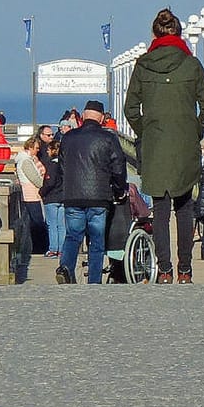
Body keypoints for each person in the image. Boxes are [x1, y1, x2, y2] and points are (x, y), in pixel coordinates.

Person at [124, 8, 204, 284]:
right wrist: (193, 131)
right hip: (185, 147)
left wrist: (147, 132)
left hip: (154, 146)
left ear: (154, 34)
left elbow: (131, 109)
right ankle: (185, 270)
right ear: (179, 33)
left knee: (161, 211)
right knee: (185, 208)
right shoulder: (192, 65)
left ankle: (164, 270)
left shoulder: (143, 65)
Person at [55, 100, 127, 285]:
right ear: (102, 118)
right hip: (99, 197)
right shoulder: (108, 138)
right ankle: (94, 282)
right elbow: (118, 168)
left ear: (83, 116)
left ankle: (65, 268)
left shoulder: (68, 138)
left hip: (72, 196)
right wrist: (120, 190)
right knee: (96, 241)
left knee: (73, 235)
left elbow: (62, 168)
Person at [11, 135, 46, 283]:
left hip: (29, 194)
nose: (38, 151)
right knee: (37, 223)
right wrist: (43, 180)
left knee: (30, 224)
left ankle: (32, 248)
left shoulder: (23, 160)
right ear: (30, 147)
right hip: (31, 194)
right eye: (37, 148)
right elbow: (36, 180)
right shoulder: (26, 161)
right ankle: (37, 249)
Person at [38, 125, 65, 256]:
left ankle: (53, 248)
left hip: (52, 198)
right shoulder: (64, 164)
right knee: (62, 225)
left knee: (52, 225)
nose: (47, 152)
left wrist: (42, 192)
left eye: (49, 150)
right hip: (63, 197)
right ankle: (62, 249)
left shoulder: (52, 165)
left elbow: (50, 182)